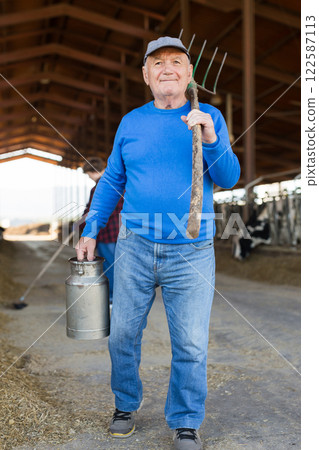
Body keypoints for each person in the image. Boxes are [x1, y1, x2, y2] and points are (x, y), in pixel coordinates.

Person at [76, 36, 240, 450]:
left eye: (177, 61)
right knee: (123, 334)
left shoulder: (208, 116)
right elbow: (113, 180)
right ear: (146, 75)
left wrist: (209, 137)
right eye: (158, 63)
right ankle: (125, 404)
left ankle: (185, 421)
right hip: (133, 245)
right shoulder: (131, 122)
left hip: (192, 249)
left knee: (190, 341)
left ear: (188, 74)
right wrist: (92, 228)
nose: (167, 68)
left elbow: (230, 178)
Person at [79, 157, 123, 304]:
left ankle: (113, 298)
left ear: (92, 171)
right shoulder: (118, 183)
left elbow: (94, 212)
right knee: (118, 266)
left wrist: (82, 225)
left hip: (106, 234)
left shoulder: (99, 187)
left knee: (110, 266)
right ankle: (118, 298)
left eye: (88, 174)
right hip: (119, 231)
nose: (89, 177)